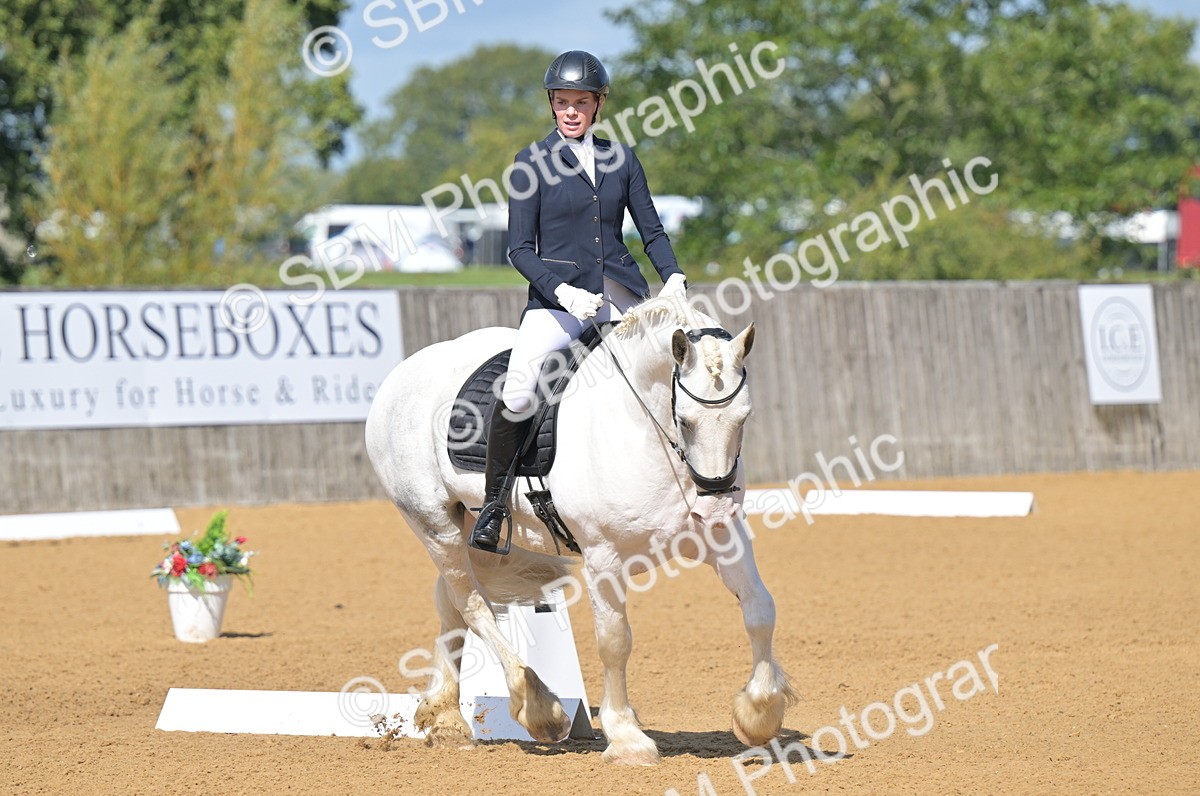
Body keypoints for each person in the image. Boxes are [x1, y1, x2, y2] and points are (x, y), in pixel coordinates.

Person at [469, 49, 689, 553]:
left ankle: (695, 481)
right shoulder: (531, 163)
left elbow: (650, 229)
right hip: (557, 302)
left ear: (598, 105)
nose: (571, 111)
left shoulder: (622, 159)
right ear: (552, 104)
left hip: (622, 295)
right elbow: (519, 249)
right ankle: (495, 505)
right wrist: (562, 291)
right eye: (563, 102)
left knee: (677, 367)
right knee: (521, 391)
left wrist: (673, 277)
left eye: (581, 103)